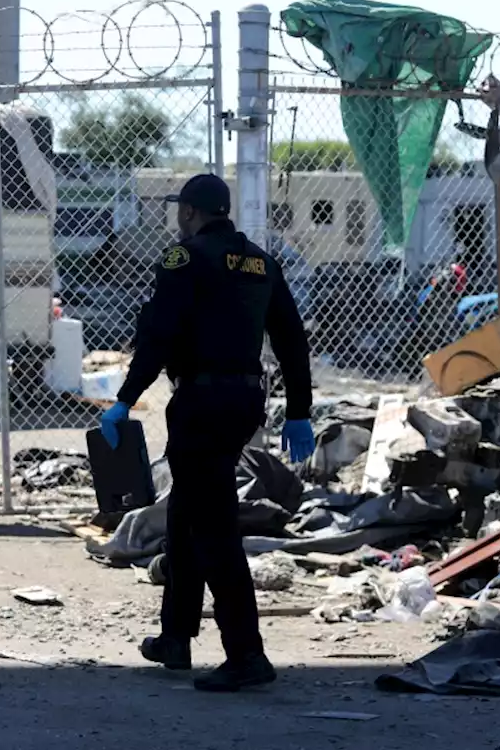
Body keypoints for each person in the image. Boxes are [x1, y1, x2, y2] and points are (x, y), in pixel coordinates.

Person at [99, 173, 315, 693]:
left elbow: (157, 337)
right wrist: (299, 411)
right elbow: (292, 340)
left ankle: (246, 654)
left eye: (181, 212)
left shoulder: (185, 259)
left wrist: (124, 401)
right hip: (243, 400)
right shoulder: (262, 262)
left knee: (213, 526)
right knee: (185, 511)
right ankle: (175, 636)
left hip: (201, 401)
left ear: (191, 213)